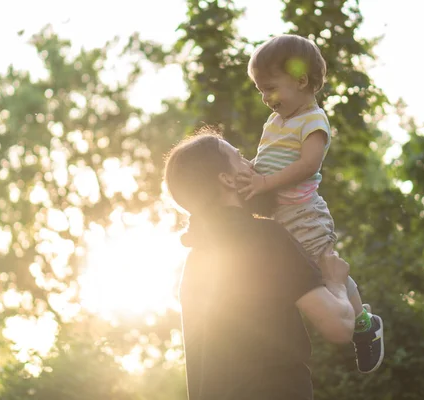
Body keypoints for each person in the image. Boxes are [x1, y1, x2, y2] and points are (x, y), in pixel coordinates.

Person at [164, 130, 356, 400]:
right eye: (240, 158)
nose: (252, 165)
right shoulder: (267, 237)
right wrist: (335, 283)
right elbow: (339, 326)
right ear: (227, 180)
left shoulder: (194, 261)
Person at [237, 34, 383, 373]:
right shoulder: (276, 121)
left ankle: (364, 324)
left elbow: (308, 165)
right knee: (294, 274)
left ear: (302, 80)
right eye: (259, 89)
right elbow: (266, 160)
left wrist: (263, 183)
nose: (265, 98)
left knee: (325, 267)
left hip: (304, 212)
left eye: (270, 87)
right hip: (279, 212)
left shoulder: (314, 120)